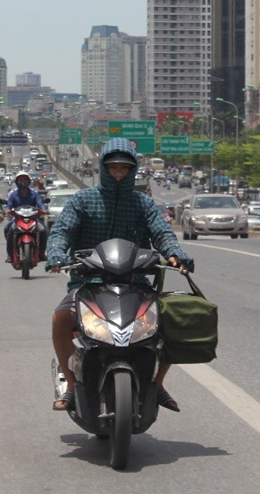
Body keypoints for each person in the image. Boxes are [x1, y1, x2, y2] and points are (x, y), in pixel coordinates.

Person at [46, 137, 194, 413]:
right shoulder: (83, 200)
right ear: (103, 168)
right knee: (60, 319)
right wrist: (55, 252)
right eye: (113, 167)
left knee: (173, 322)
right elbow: (61, 230)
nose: (118, 173)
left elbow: (162, 232)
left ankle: (157, 383)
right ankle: (69, 383)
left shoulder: (143, 203)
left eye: (124, 168)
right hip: (88, 283)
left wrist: (175, 254)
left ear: (132, 170)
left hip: (135, 283)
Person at [4, 171, 48, 263]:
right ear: (17, 182)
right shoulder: (13, 195)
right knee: (7, 229)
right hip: (17, 219)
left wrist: (43, 210)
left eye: (25, 180)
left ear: (28, 181)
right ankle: (10, 254)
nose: (23, 182)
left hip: (33, 219)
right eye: (20, 180)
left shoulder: (34, 194)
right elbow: (8, 206)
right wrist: (7, 210)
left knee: (44, 231)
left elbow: (40, 204)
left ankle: (41, 253)